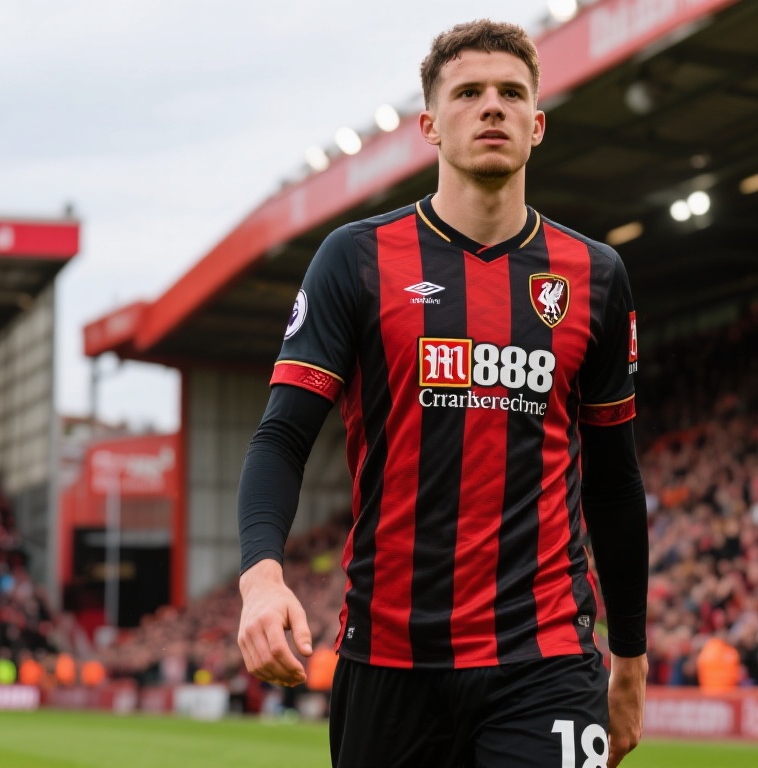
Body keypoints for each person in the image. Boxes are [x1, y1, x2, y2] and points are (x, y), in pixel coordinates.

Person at [237, 19, 648, 768]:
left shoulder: (595, 275)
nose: (492, 106)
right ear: (428, 125)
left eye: (511, 93)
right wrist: (262, 577)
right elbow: (282, 437)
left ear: (537, 125)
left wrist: (631, 653)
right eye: (468, 92)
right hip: (390, 654)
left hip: (546, 656)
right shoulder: (356, 259)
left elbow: (615, 481)